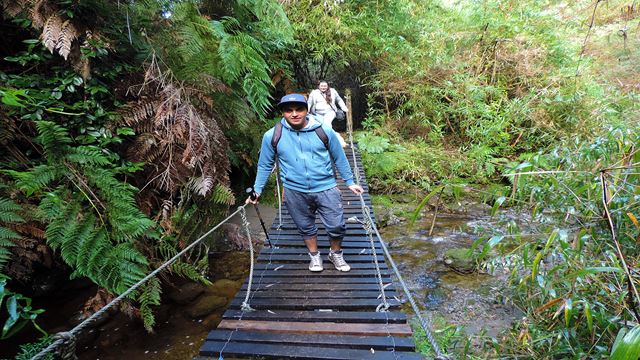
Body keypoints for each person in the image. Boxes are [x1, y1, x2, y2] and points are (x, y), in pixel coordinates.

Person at [246, 93, 364, 272]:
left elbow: (339, 157)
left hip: (326, 186)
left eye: (299, 109)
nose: (294, 114)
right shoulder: (273, 135)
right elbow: (264, 164)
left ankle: (335, 253)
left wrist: (349, 181)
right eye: (289, 110)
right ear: (283, 113)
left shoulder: (323, 130)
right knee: (305, 226)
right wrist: (257, 190)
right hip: (294, 190)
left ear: (306, 110)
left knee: (337, 225)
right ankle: (315, 256)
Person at [307, 80, 348, 147]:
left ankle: (337, 141)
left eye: (325, 86)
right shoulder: (314, 93)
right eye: (322, 86)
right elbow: (309, 102)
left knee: (327, 124)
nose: (323, 87)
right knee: (321, 127)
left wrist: (344, 108)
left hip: (330, 112)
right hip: (317, 113)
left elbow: (339, 100)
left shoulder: (333, 91)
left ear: (327, 86)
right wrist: (307, 110)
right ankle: (334, 141)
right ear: (319, 86)